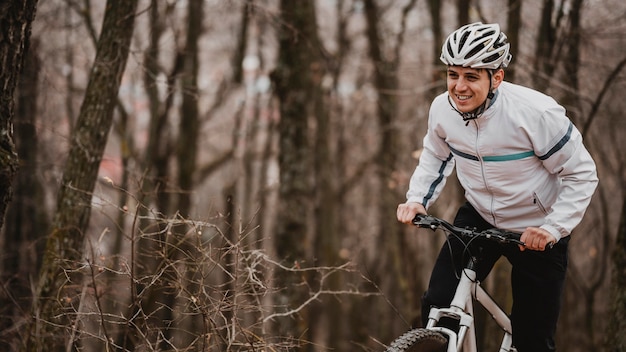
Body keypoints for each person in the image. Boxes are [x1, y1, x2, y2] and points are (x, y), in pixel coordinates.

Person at [396, 22, 598, 352]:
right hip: (477, 217)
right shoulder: (442, 109)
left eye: (471, 76)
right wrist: (417, 199)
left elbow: (582, 174)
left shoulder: (536, 113)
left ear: (497, 78)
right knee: (437, 308)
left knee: (533, 339)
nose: (458, 87)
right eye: (452, 74)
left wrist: (552, 228)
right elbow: (435, 154)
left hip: (536, 228)